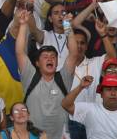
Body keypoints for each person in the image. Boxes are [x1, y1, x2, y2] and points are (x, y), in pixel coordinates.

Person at [16, 9, 77, 139]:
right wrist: (22, 25)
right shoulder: (30, 76)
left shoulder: (63, 78)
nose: (50, 59)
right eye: (45, 57)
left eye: (53, 57)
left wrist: (67, 26)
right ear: (37, 63)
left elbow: (73, 54)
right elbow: (20, 52)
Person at [62, 74, 117, 139]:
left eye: (116, 89)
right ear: (101, 94)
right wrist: (80, 87)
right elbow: (66, 105)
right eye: (109, 89)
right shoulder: (90, 110)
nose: (113, 93)